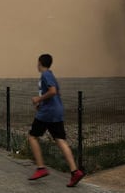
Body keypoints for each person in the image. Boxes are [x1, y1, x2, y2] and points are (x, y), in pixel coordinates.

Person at [28, 54, 85, 187]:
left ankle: (41, 168)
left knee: (32, 137)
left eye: (37, 62)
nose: (36, 65)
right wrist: (41, 103)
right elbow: (56, 93)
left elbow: (53, 91)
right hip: (56, 112)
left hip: (47, 114)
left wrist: (38, 99)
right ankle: (75, 172)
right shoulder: (51, 75)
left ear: (40, 63)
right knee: (60, 140)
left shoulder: (46, 74)